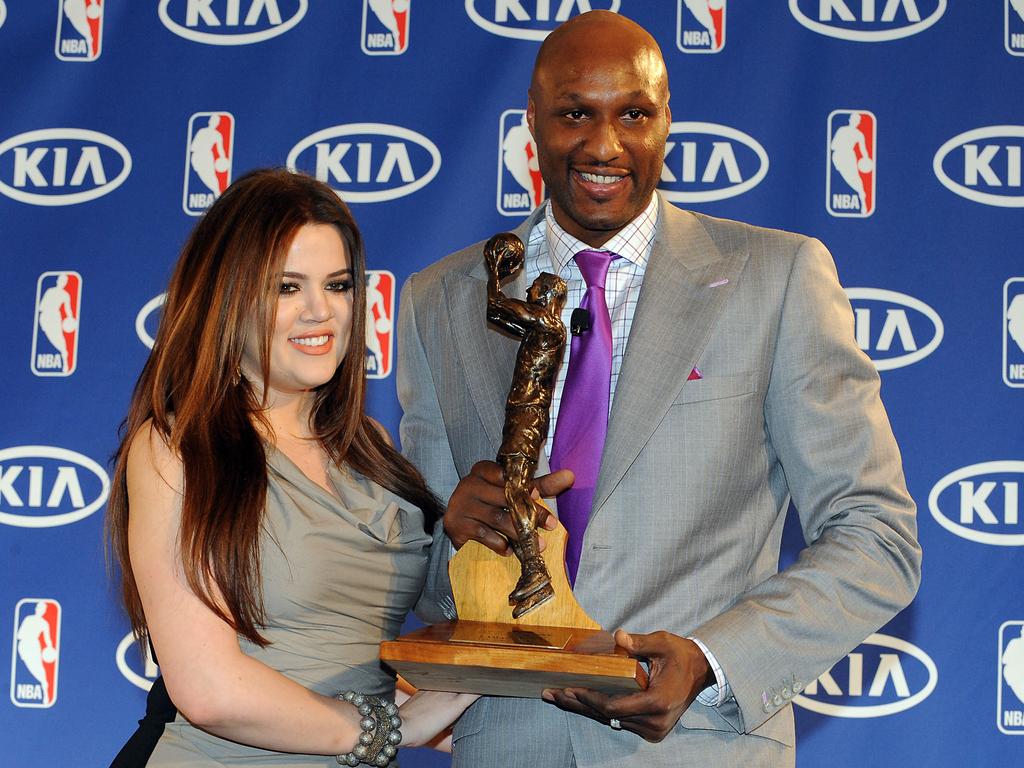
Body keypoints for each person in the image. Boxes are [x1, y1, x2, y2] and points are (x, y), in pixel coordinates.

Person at [397, 10, 921, 767]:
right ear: (531, 125)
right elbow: (423, 587)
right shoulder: (442, 298)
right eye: (576, 112)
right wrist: (451, 536)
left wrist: (712, 660)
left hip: (700, 744)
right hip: (509, 747)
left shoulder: (775, 279)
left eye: (633, 114)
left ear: (667, 121)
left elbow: (878, 537)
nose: (604, 145)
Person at [106, 168, 475, 767]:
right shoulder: (177, 448)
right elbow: (210, 690)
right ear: (228, 297)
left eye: (337, 285)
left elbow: (343, 646)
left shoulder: (371, 449)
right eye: (286, 288)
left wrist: (470, 704)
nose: (319, 312)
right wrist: (390, 727)